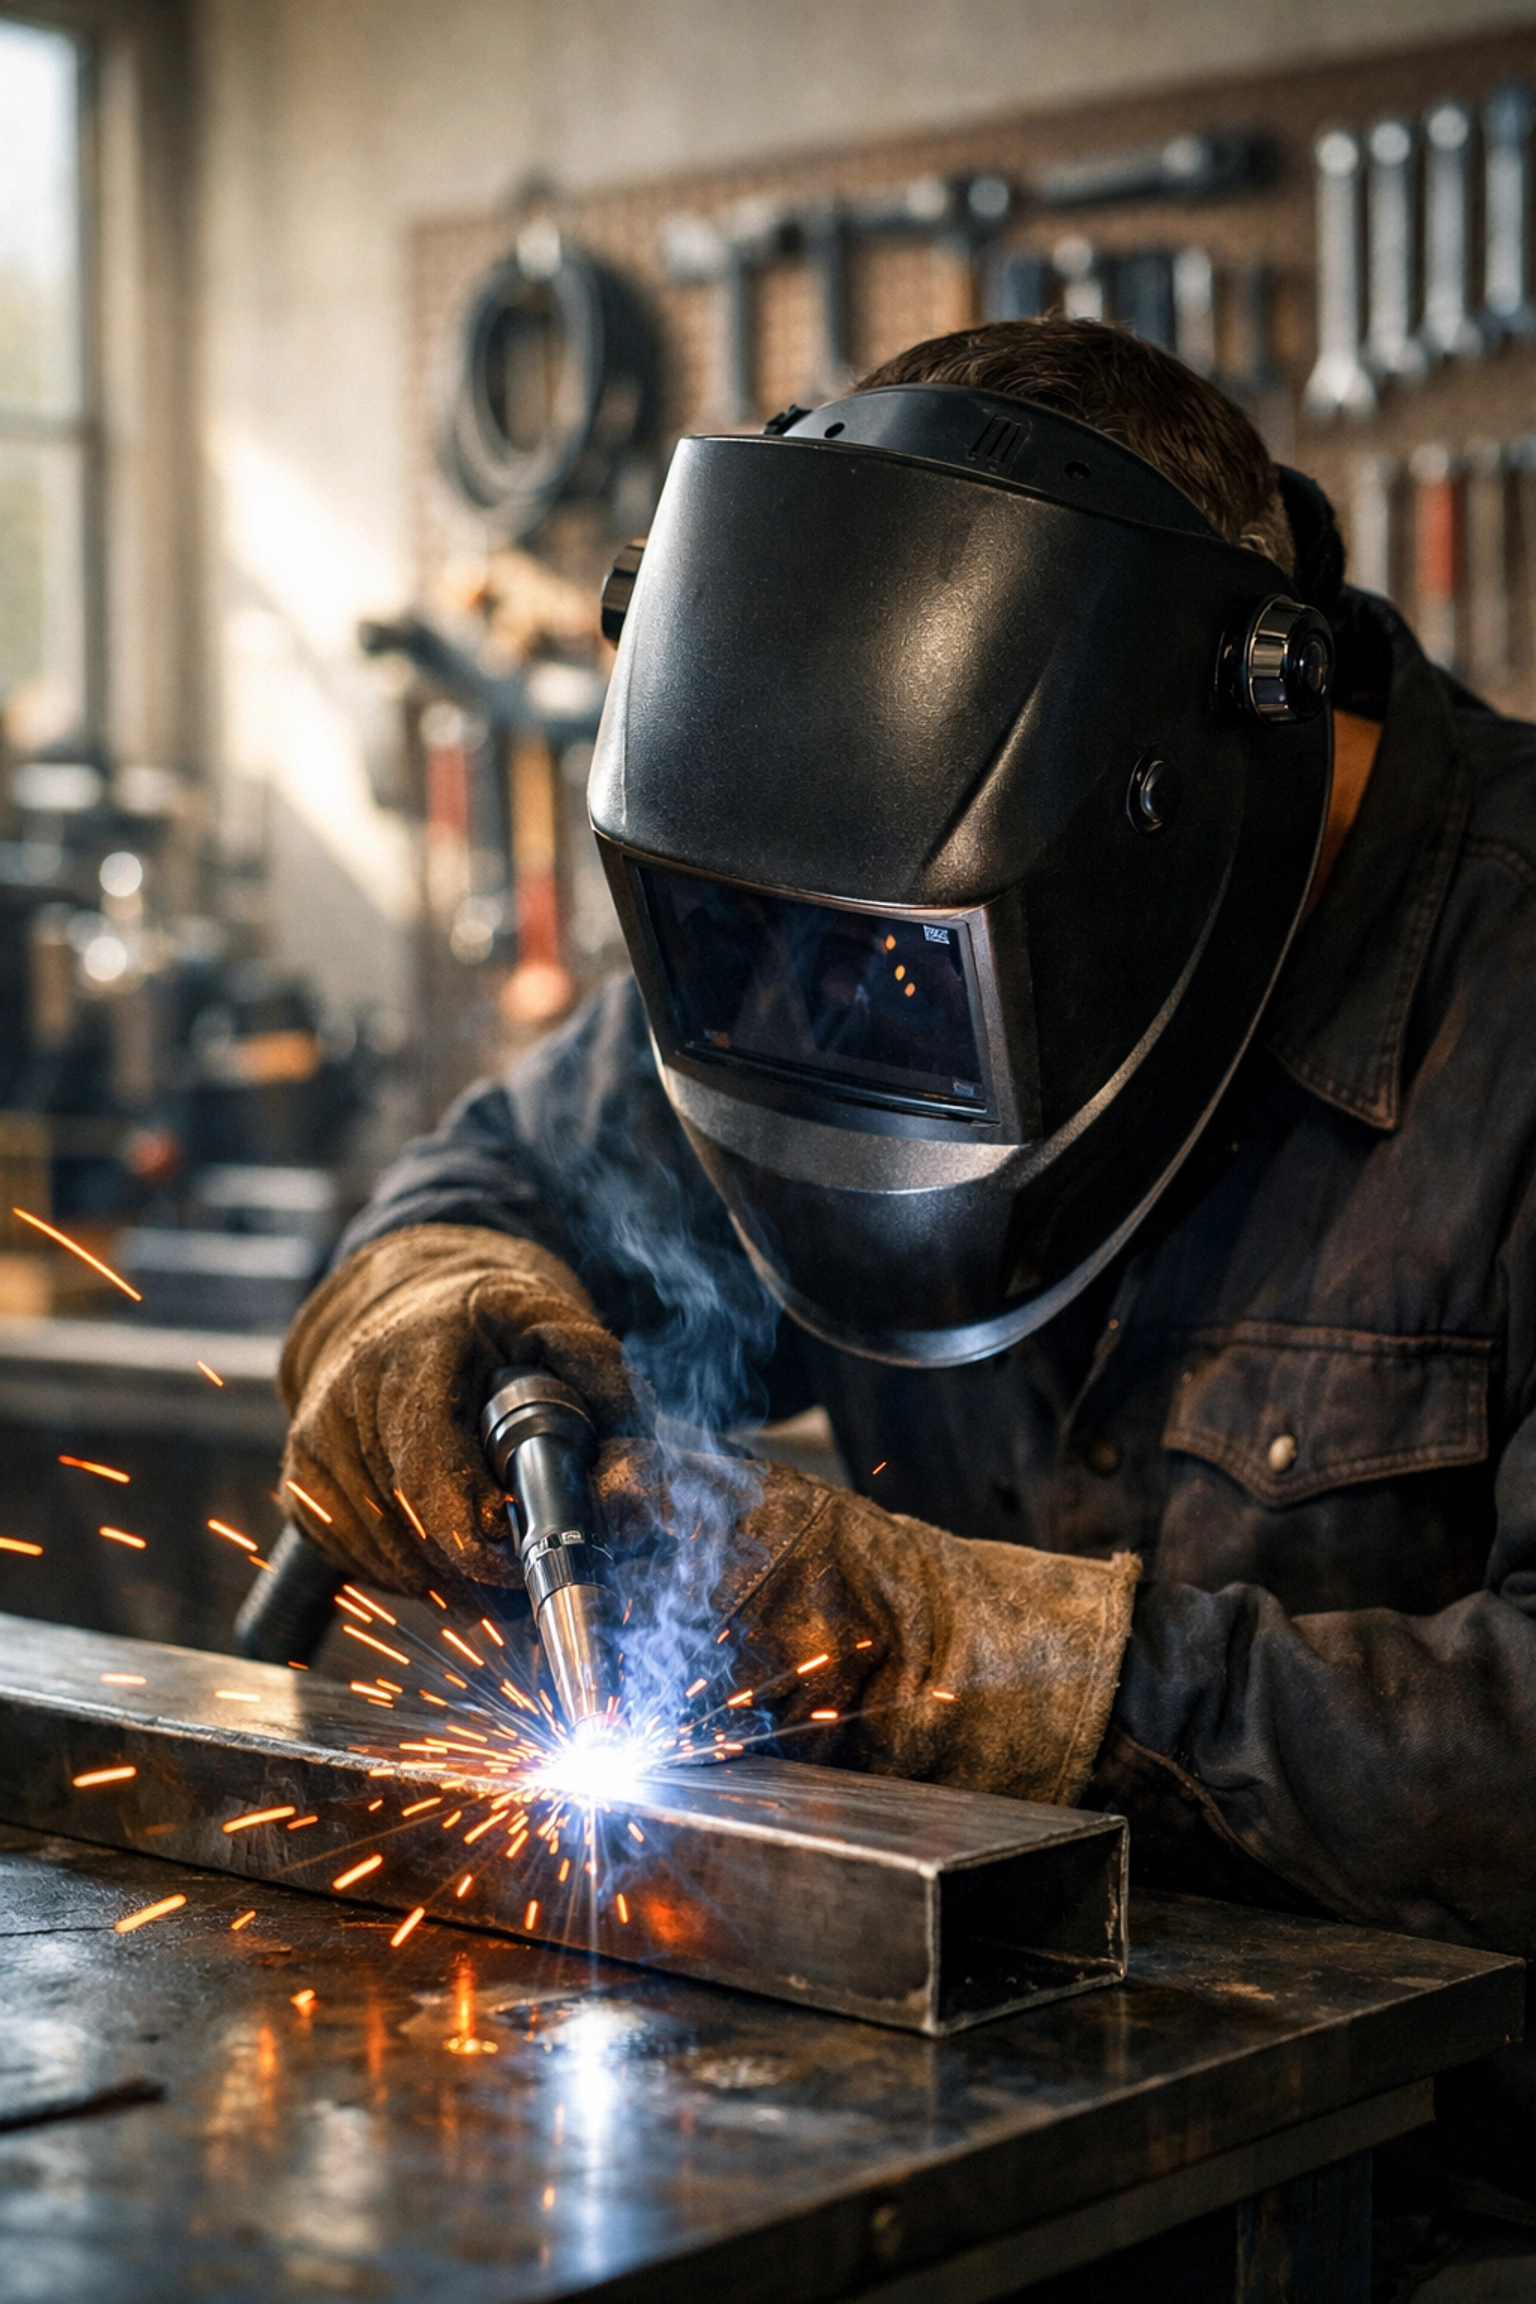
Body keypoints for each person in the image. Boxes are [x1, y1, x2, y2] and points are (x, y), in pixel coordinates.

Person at [280, 318, 1536, 2191]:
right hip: (972, 2134)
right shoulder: (842, 902)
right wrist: (436, 1303)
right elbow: (496, 1182)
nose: (860, 1007)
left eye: (923, 965)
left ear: (1157, 809)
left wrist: (991, 1663)